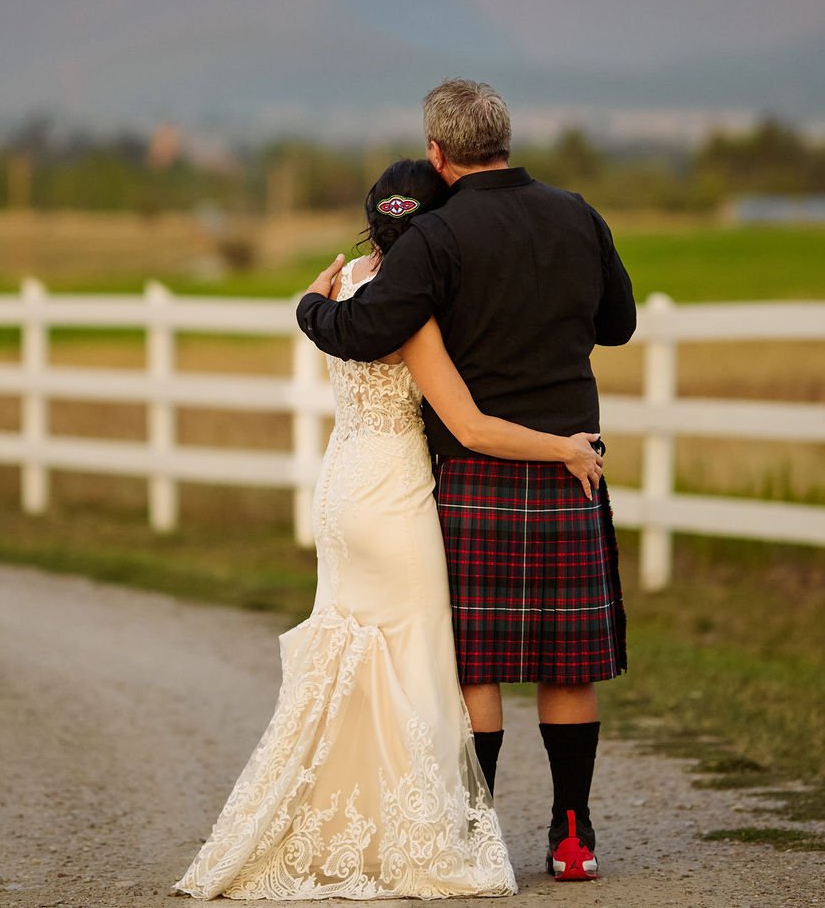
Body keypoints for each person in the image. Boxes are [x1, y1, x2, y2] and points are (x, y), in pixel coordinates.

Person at [176, 158, 606, 899]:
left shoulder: (344, 285)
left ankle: (358, 818)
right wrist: (564, 446)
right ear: (432, 223)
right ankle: (450, 828)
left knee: (358, 658)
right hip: (397, 493)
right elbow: (469, 425)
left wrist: (307, 307)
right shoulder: (414, 308)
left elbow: (339, 328)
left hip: (344, 489)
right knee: (426, 664)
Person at [297, 79, 638, 883]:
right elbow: (617, 323)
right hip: (570, 463)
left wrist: (310, 309)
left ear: (440, 155)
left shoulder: (438, 234)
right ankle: (573, 836)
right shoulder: (578, 212)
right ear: (507, 139)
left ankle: (480, 831)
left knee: (476, 666)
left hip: (480, 469)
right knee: (568, 665)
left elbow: (367, 328)